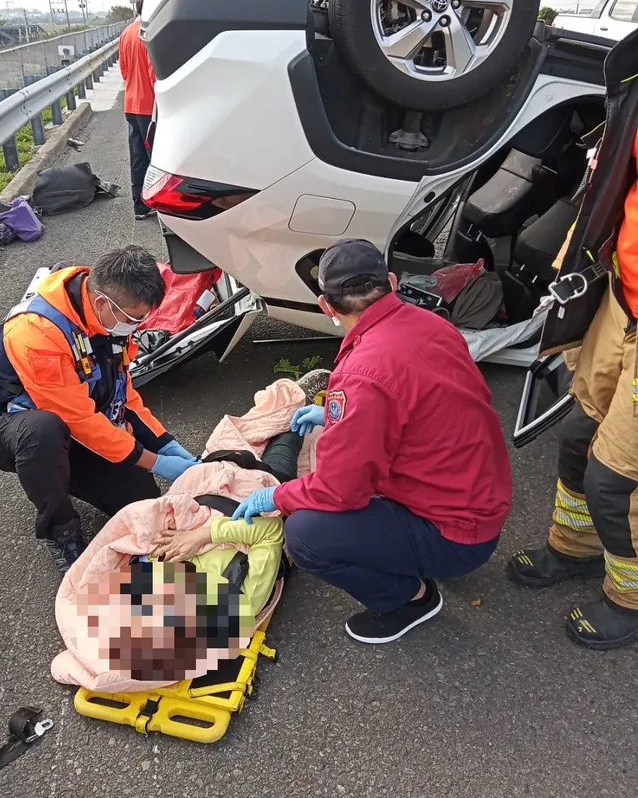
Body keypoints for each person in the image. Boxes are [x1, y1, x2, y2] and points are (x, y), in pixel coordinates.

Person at [233, 238, 512, 644]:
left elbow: (340, 491)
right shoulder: (432, 324)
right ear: (393, 283)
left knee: (307, 534)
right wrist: (334, 420)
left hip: (454, 533)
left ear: (327, 306)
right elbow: (416, 413)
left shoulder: (363, 374)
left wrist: (275, 498)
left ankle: (411, 600)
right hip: (480, 501)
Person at [0, 246, 199, 572]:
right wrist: (157, 462)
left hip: (77, 422)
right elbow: (76, 419)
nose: (137, 325)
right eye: (134, 317)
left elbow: (124, 394)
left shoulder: (107, 319)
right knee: (43, 432)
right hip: (12, 428)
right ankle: (60, 529)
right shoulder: (37, 332)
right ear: (103, 302)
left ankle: (60, 472)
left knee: (141, 496)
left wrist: (166, 443)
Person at [508, 128, 638, 650]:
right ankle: (575, 548)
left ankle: (630, 599)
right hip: (624, 300)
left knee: (615, 481)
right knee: (579, 435)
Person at [118, 0, 156, 220]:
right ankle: (160, 203)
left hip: (130, 103)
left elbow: (123, 69)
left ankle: (139, 205)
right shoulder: (148, 33)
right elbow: (154, 73)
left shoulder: (126, 33)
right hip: (148, 106)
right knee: (156, 156)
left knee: (137, 156)